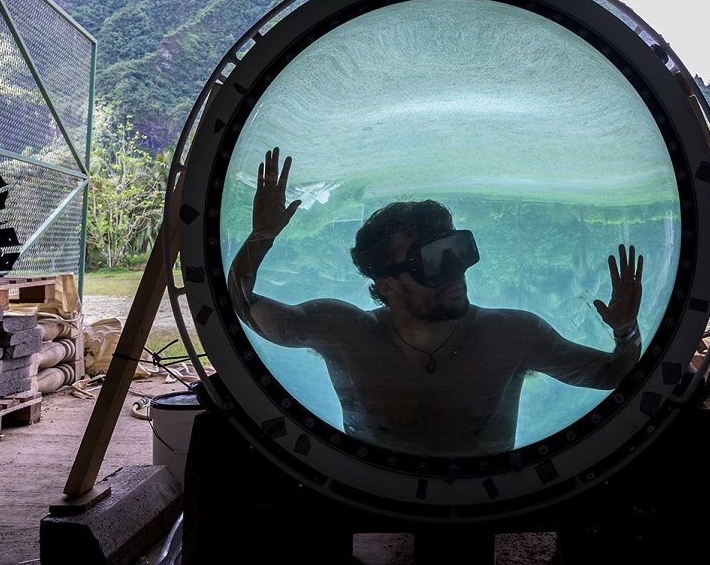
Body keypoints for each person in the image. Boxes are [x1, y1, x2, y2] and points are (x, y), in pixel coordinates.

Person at [228, 148, 644, 457]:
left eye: (456, 251)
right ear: (386, 284)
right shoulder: (344, 332)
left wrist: (627, 331)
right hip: (369, 498)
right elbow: (243, 308)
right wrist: (261, 236)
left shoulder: (512, 334)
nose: (455, 271)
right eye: (432, 260)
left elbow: (611, 374)